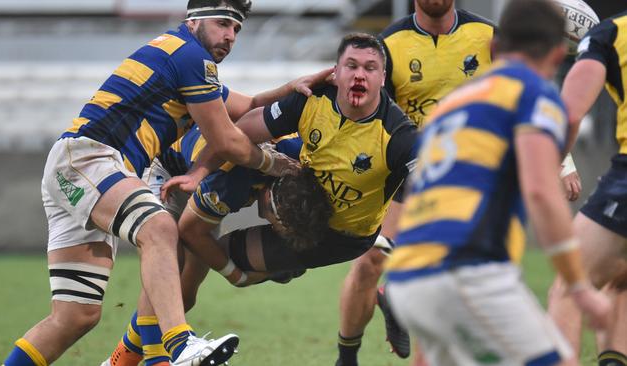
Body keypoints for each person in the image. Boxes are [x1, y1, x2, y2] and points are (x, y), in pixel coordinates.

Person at [1, 1, 328, 365]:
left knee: (75, 317)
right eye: (222, 23)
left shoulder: (185, 59)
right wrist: (276, 165)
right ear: (194, 20)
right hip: (89, 159)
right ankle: (180, 345)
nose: (230, 36)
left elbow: (248, 103)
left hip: (79, 168)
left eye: (236, 28)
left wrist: (291, 87)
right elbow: (227, 142)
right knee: (159, 228)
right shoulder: (191, 57)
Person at [105, 32, 418, 366]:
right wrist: (234, 275)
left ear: (383, 78)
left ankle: (135, 357)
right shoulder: (234, 180)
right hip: (174, 172)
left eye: (370, 67)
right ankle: (134, 361)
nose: (359, 74)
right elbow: (192, 230)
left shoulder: (388, 138)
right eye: (351, 65)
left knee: (196, 275)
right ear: (336, 71)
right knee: (180, 279)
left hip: (342, 234)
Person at [335, 1, 583, 364]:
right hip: (440, 226)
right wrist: (577, 285)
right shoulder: (391, 42)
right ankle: (347, 355)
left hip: (417, 261)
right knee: (370, 259)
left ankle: (390, 300)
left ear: (496, 50)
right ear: (558, 53)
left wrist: (563, 161)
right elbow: (540, 190)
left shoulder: (454, 99)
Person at [102, 128, 332, 366]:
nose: (271, 228)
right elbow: (191, 232)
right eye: (276, 225)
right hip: (166, 170)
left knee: (183, 296)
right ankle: (156, 361)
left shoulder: (298, 160)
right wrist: (236, 274)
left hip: (203, 184)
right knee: (170, 264)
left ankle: (119, 362)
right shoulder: (231, 185)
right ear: (270, 200)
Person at [547, 9, 627, 366]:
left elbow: (571, 112)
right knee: (620, 276)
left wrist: (553, 163)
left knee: (569, 287)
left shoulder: (611, 34)